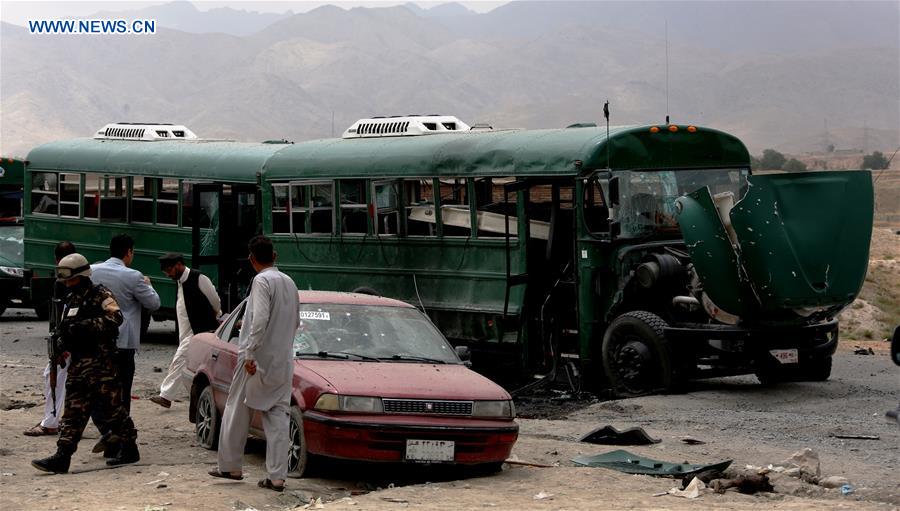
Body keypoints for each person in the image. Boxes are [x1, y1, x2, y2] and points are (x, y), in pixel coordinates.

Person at [31, 253, 139, 473]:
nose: (67, 283)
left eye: (70, 279)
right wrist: (62, 345)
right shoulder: (71, 299)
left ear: (81, 276)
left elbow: (115, 318)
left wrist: (84, 326)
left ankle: (129, 448)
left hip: (102, 364)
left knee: (113, 411)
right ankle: (62, 456)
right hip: (79, 365)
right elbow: (66, 328)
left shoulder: (100, 294)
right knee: (72, 412)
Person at [209, 236, 298, 492]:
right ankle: (277, 477)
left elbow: (259, 320)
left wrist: (249, 354)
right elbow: (294, 322)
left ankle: (230, 467)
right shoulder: (289, 282)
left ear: (251, 258)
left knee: (237, 410)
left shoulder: (261, 281)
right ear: (275, 256)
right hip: (282, 360)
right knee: (278, 417)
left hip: (256, 360)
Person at [90, 234, 160, 412]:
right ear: (128, 252)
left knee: (99, 385)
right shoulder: (134, 276)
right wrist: (149, 284)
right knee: (122, 386)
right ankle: (120, 426)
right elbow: (153, 303)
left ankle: (103, 423)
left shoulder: (93, 271)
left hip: (97, 337)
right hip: (124, 340)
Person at [149, 253, 221, 408]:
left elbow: (215, 300)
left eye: (169, 270)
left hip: (199, 331)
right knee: (192, 364)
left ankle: (166, 395)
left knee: (179, 360)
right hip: (187, 331)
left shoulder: (198, 278)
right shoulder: (180, 282)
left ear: (179, 265)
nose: (168, 274)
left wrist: (213, 315)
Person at [23, 241, 76, 436]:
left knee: (54, 377)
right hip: (83, 337)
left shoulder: (63, 283)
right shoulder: (87, 280)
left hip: (69, 338)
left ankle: (51, 421)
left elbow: (62, 314)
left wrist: (62, 341)